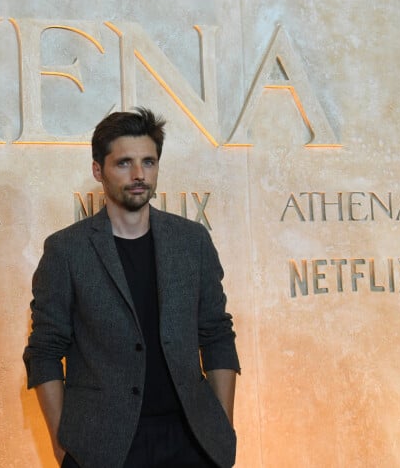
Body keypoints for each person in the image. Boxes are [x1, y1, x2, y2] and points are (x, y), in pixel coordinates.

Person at [23, 108, 240, 468]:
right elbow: (44, 351)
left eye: (148, 162)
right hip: (104, 447)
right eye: (124, 163)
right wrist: (63, 446)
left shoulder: (192, 241)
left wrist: (222, 427)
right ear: (98, 170)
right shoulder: (67, 250)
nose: (139, 174)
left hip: (193, 441)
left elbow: (217, 335)